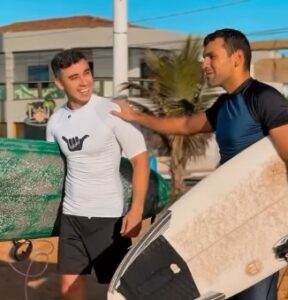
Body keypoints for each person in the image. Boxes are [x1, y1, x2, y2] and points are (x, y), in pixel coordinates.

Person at [112, 28, 288, 300]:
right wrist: (136, 116)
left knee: (255, 295)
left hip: (259, 221)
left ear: (237, 57)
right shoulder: (224, 104)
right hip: (228, 215)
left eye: (210, 56)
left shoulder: (263, 98)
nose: (204, 64)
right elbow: (184, 125)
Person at [46, 49, 150, 300]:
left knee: (123, 291)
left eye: (86, 73)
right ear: (59, 83)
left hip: (108, 218)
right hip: (72, 216)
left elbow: (141, 161)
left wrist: (136, 210)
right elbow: (53, 170)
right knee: (70, 291)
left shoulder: (111, 110)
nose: (84, 82)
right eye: (74, 77)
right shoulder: (56, 121)